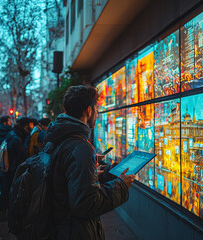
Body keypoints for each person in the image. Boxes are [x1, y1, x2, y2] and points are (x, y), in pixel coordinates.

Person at [44, 85, 135, 239]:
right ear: (88, 110)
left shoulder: (57, 137)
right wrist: (121, 186)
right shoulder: (81, 147)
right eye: (96, 109)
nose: (97, 114)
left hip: (61, 227)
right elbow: (86, 203)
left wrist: (100, 172)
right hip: (75, 231)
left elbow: (70, 182)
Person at [0, 117, 34, 212]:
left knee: (6, 191)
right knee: (10, 191)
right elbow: (22, 155)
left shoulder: (12, 134)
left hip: (9, 169)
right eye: (30, 125)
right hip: (13, 170)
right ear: (25, 126)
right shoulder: (16, 138)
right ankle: (5, 212)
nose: (32, 127)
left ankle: (3, 210)